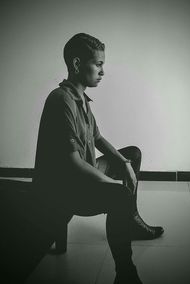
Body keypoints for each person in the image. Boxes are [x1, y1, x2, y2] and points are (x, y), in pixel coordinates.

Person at [33, 33, 164, 284]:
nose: (103, 71)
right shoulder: (61, 100)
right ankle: (126, 274)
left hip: (80, 174)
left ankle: (132, 221)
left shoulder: (80, 96)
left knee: (132, 153)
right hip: (64, 189)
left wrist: (124, 165)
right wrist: (113, 185)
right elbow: (73, 164)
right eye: (98, 64)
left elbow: (98, 138)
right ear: (77, 64)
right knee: (120, 197)